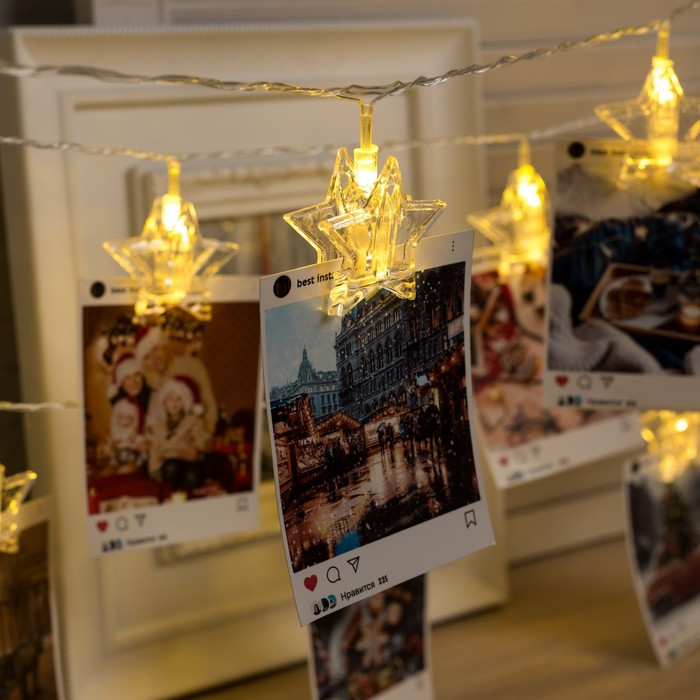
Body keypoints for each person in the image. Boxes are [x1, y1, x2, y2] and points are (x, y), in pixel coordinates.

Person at [148, 376, 212, 493]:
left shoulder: (193, 421)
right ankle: (175, 487)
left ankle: (188, 486)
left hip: (189, 460)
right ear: (165, 404)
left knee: (193, 477)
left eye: (179, 399)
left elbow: (202, 439)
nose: (174, 403)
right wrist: (154, 469)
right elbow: (155, 449)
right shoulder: (159, 426)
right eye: (170, 399)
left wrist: (197, 449)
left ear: (185, 402)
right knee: (170, 468)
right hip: (169, 461)